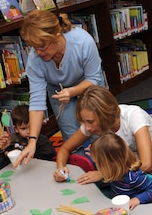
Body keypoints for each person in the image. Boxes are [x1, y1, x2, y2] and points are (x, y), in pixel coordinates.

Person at [52, 86, 152, 202]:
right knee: (93, 195)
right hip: (120, 171)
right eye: (84, 122)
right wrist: (60, 168)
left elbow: (146, 165)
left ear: (105, 115)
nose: (87, 127)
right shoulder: (90, 125)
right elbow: (65, 148)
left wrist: (103, 174)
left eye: (90, 121)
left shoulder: (134, 116)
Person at [16, 10, 105, 160]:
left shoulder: (83, 41)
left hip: (89, 86)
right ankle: (83, 171)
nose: (38, 52)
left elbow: (93, 77)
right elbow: (37, 102)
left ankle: (107, 171)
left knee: (99, 132)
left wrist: (72, 92)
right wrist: (32, 141)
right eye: (33, 47)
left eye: (42, 47)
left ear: (57, 37)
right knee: (72, 140)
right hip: (59, 90)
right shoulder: (35, 59)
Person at [88, 133, 152, 209]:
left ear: (108, 165)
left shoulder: (133, 177)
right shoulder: (113, 172)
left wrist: (137, 199)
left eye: (97, 162)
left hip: (134, 209)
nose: (96, 166)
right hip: (116, 200)